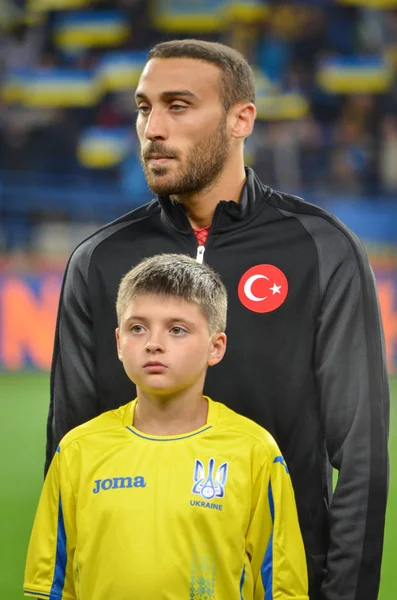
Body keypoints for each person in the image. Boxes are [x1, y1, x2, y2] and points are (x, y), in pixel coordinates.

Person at [46, 39, 389, 600]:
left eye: (177, 106)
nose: (152, 127)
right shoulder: (98, 260)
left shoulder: (322, 249)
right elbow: (67, 453)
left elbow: (361, 458)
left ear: (240, 119)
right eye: (143, 108)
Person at [25, 254, 309, 600]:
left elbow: (283, 588)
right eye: (137, 327)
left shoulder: (253, 451)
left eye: (177, 329)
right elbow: (51, 587)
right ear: (118, 343)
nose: (153, 343)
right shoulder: (78, 450)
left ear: (215, 347)